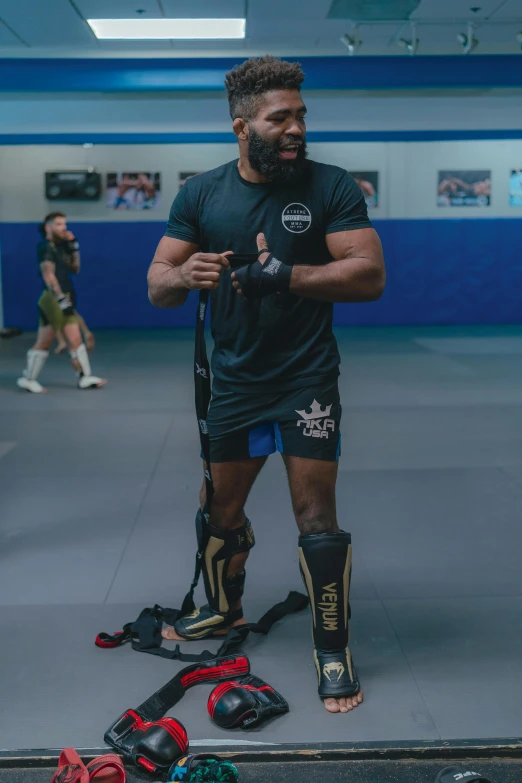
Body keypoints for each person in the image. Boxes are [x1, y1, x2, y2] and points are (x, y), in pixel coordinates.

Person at [147, 56, 385, 715]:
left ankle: (332, 646)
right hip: (235, 381)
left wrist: (286, 274)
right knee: (220, 508)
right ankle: (222, 608)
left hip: (306, 378)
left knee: (317, 517)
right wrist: (185, 273)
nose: (296, 128)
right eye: (280, 118)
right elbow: (157, 286)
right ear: (241, 126)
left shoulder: (331, 187)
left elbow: (369, 275)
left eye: (301, 116)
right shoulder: (201, 195)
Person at [17, 212, 107, 393]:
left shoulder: (61, 247)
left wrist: (74, 247)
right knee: (45, 341)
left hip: (66, 296)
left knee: (75, 339)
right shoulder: (45, 247)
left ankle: (84, 377)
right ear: (48, 228)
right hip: (52, 299)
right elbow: (48, 274)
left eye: (64, 223)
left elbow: (75, 268)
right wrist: (59, 298)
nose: (64, 227)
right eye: (58, 224)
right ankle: (28, 379)